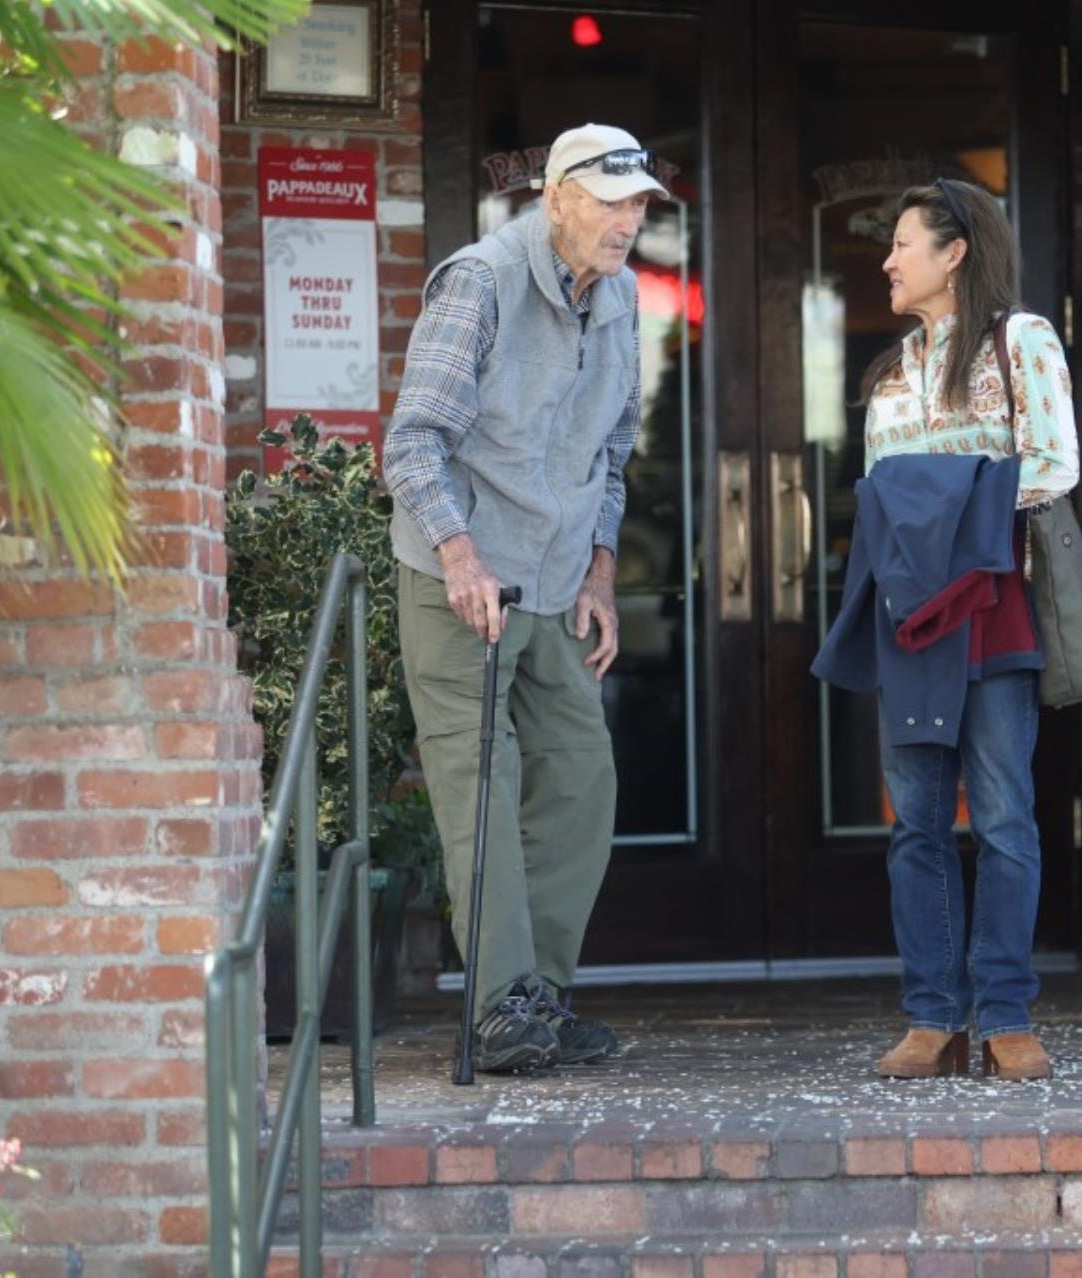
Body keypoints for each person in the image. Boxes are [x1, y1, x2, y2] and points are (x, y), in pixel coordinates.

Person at [384, 123, 666, 1074]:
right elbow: (413, 441)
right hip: (459, 579)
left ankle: (538, 996)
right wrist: (459, 555)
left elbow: (613, 449)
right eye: (611, 200)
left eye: (638, 204)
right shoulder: (481, 280)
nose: (628, 221)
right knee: (484, 790)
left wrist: (599, 569)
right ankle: (500, 1006)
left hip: (552, 580)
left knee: (582, 778)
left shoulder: (623, 296)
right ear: (556, 197)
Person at [828, 178, 1079, 1080]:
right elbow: (877, 500)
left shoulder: (1022, 342)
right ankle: (932, 1018)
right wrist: (957, 494)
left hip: (993, 605)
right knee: (917, 824)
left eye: (904, 244)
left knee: (1006, 815)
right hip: (910, 618)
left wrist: (941, 503)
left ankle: (1006, 1013)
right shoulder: (888, 372)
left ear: (955, 252)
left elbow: (1053, 466)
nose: (888, 261)